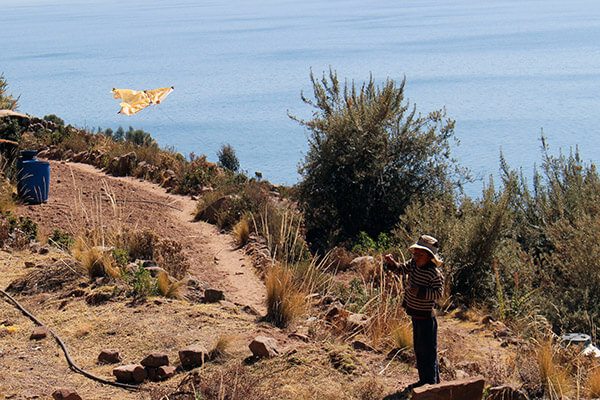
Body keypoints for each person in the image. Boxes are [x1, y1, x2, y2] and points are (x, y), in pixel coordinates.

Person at [384, 234, 444, 388]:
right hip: (415, 314)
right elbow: (401, 269)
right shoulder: (413, 264)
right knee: (419, 349)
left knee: (429, 351)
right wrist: (392, 263)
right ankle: (424, 380)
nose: (415, 256)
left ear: (429, 256)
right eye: (415, 253)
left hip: (426, 318)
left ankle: (431, 384)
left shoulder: (434, 273)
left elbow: (438, 294)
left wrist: (420, 291)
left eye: (420, 253)